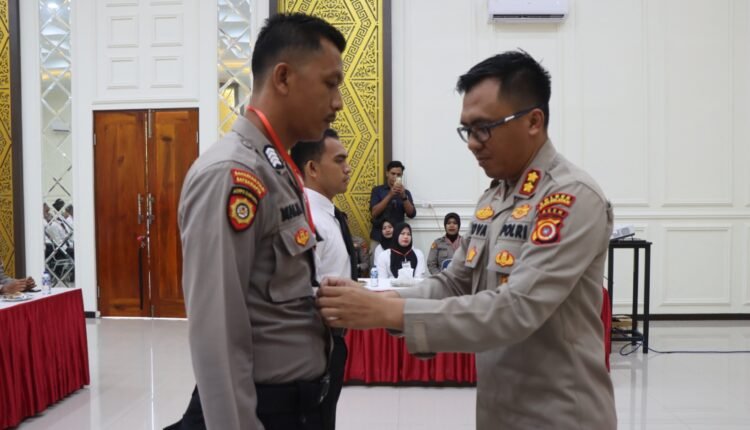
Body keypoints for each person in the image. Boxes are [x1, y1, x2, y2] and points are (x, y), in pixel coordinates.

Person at [317, 50, 617, 429]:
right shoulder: (495, 198)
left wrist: (388, 313)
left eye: (484, 128)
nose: (473, 143)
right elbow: (454, 282)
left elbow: (516, 309)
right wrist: (383, 300)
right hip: (498, 409)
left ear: (533, 121)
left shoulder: (570, 197)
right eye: (467, 130)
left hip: (560, 413)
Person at [171, 13, 345, 430]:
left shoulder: (276, 168)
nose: (338, 102)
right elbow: (217, 335)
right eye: (330, 84)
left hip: (302, 405)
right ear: (283, 78)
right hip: (267, 410)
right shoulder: (232, 174)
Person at [290, 128, 356, 430]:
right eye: (339, 160)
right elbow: (299, 290)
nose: (348, 168)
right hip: (312, 343)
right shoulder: (306, 219)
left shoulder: (328, 215)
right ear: (312, 168)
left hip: (331, 340)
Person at [368, 161, 416, 246]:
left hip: (398, 238)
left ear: (401, 176)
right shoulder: (377, 190)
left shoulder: (406, 192)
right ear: (387, 173)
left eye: (398, 175)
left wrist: (404, 197)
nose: (395, 177)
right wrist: (390, 195)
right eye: (393, 173)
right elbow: (374, 213)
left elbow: (411, 214)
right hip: (378, 236)